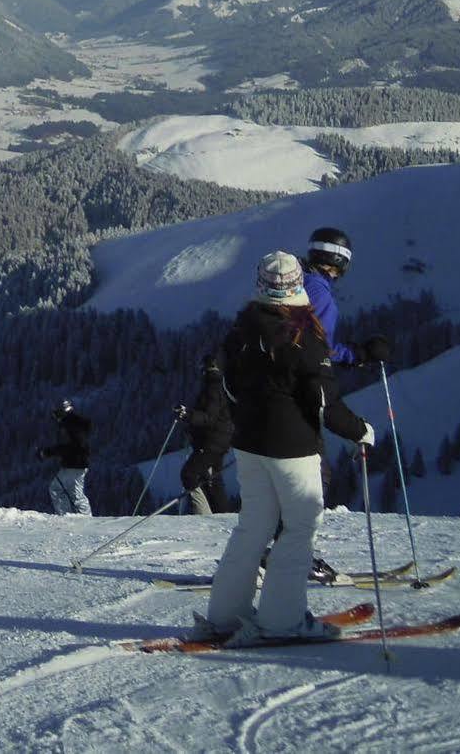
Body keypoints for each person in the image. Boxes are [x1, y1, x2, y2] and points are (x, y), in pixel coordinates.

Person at [202, 252, 374, 645]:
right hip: (293, 447)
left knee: (252, 527)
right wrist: (360, 430)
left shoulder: (243, 326)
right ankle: (282, 620)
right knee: (299, 529)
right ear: (297, 287)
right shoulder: (303, 333)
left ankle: (225, 616)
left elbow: (228, 387)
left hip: (248, 443)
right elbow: (324, 401)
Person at [301, 227, 393, 370]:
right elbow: (322, 347)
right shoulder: (319, 292)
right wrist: (358, 354)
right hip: (297, 377)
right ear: (339, 260)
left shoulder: (296, 279)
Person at [178, 353, 232, 515]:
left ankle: (203, 514)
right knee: (212, 480)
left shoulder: (212, 388)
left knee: (190, 474)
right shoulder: (222, 385)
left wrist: (187, 415)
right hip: (220, 440)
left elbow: (209, 417)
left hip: (211, 441)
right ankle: (221, 515)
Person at [39, 399, 92, 515]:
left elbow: (70, 447)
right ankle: (70, 516)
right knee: (62, 489)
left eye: (55, 413)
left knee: (69, 492)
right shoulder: (74, 424)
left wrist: (48, 452)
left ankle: (79, 517)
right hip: (75, 463)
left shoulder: (71, 426)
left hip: (75, 464)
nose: (54, 417)